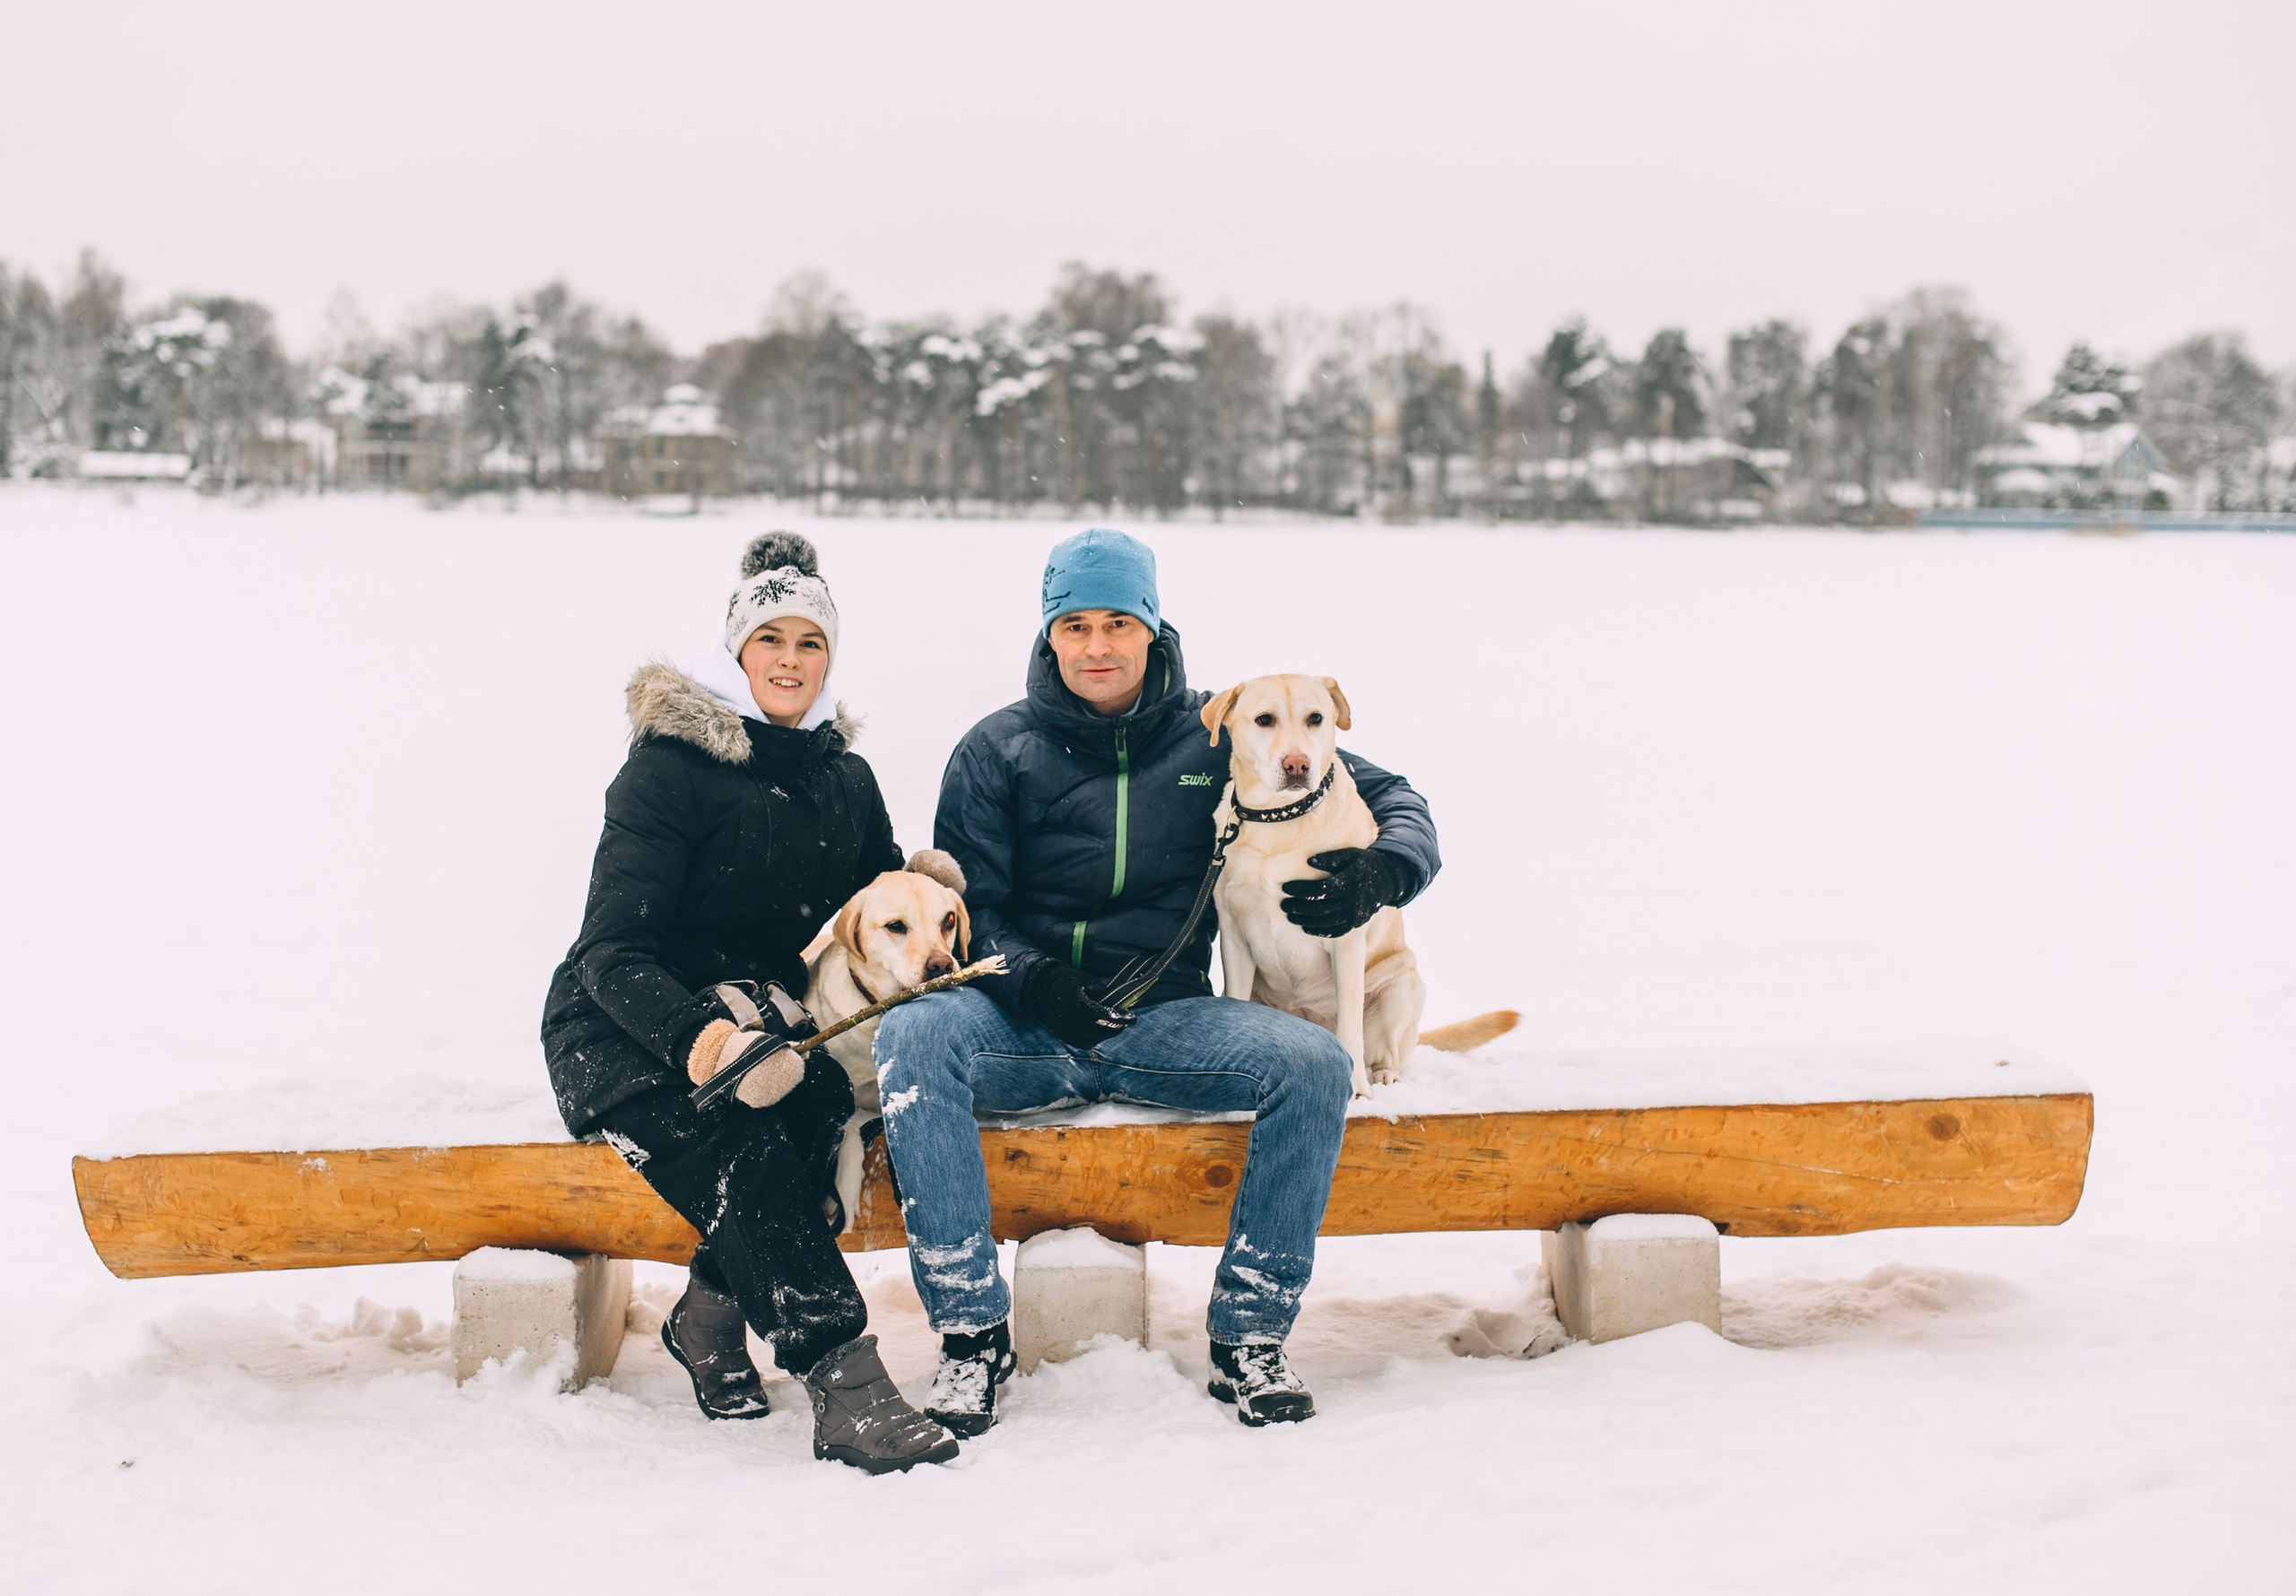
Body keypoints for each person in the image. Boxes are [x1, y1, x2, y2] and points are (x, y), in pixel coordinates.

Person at [875, 527, 1440, 1431]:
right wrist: (1036, 981)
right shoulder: (995, 748)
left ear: (1151, 628)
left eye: (1117, 623)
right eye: (1075, 625)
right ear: (1050, 634)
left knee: (1314, 1065)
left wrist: (1389, 868)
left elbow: (1391, 792)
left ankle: (1249, 1338)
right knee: (909, 1036)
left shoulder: (1224, 726)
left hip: (1166, 1019)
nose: (1096, 646)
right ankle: (970, 1335)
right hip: (1024, 1020)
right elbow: (971, 905)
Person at [540, 532, 957, 1474]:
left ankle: (708, 1315)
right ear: (736, 650)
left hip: (761, 1020)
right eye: (771, 639)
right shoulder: (668, 767)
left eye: (811, 643)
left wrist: (921, 891)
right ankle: (846, 1384)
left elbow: (872, 895)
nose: (790, 660)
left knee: (812, 1111)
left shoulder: (841, 778)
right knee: (745, 1144)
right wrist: (703, 1042)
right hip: (621, 1024)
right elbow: (612, 948)